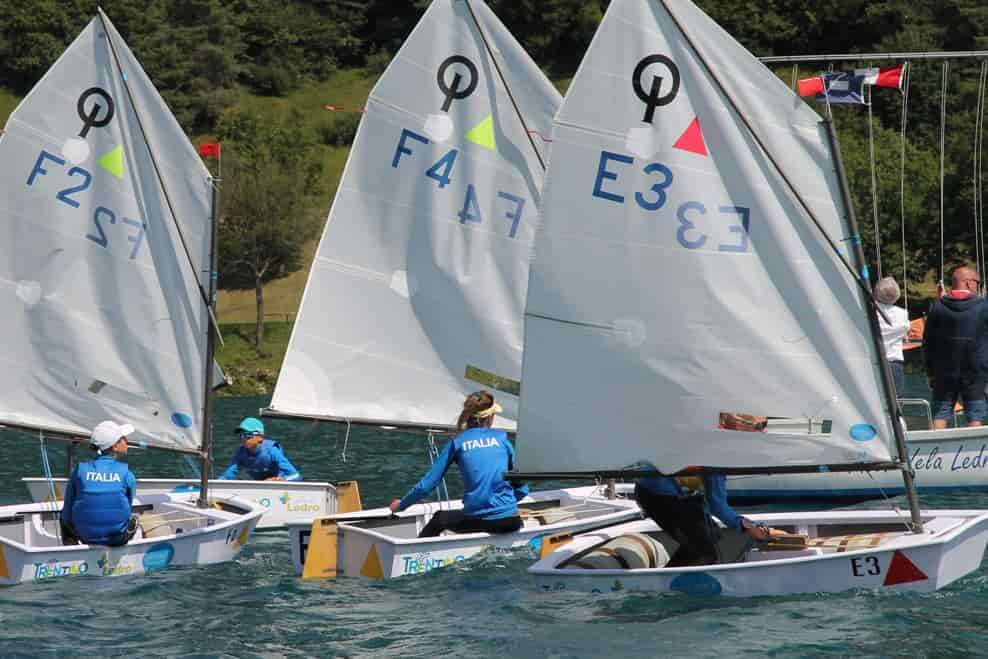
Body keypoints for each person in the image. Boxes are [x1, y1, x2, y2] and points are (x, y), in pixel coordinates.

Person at [634, 413, 779, 567]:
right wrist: (750, 527)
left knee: (712, 535)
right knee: (704, 552)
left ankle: (670, 574)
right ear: (739, 427)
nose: (765, 431)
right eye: (760, 426)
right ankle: (664, 584)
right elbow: (716, 505)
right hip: (658, 496)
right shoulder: (717, 450)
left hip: (675, 492)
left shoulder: (716, 438)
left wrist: (746, 525)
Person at [388, 391, 528, 537]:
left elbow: (427, 485)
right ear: (489, 417)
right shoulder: (502, 439)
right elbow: (522, 488)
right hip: (511, 522)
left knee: (439, 519)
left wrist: (401, 505)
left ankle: (418, 557)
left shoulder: (457, 443)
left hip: (479, 520)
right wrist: (504, 507)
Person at [922, 265, 988, 428]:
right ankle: (977, 452)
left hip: (944, 371)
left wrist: (930, 372)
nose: (977, 286)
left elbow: (928, 342)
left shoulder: (936, 306)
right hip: (975, 371)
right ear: (968, 283)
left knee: (940, 414)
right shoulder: (983, 307)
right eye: (976, 282)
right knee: (974, 417)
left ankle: (933, 450)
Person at [60, 420, 140, 546]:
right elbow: (126, 508)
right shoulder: (127, 474)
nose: (127, 441)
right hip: (117, 540)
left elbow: (67, 511)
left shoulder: (79, 470)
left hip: (83, 537)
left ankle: (71, 548)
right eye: (123, 438)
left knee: (63, 516)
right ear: (114, 446)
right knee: (135, 520)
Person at [219, 417, 302, 481]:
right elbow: (227, 476)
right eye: (241, 435)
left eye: (247, 435)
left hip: (280, 487)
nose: (243, 439)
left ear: (260, 438)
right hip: (262, 488)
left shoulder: (272, 451)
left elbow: (297, 476)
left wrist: (283, 480)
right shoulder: (240, 453)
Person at [874, 276, 911, 394]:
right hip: (894, 363)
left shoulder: (870, 313)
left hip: (873, 362)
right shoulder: (902, 314)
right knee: (896, 400)